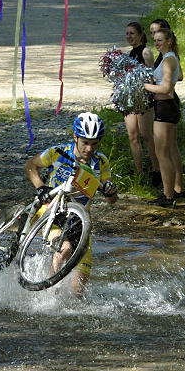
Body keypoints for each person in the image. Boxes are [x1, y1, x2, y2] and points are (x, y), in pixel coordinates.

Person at [24, 112, 119, 297]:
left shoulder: (101, 162)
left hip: (79, 218)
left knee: (78, 292)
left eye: (94, 143)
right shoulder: (56, 153)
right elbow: (30, 166)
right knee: (63, 249)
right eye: (85, 142)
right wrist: (41, 187)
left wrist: (111, 192)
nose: (89, 148)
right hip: (51, 210)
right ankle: (49, 296)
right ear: (75, 137)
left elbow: (112, 200)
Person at [143, 28, 184, 207]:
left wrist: (145, 86)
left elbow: (166, 89)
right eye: (155, 40)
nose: (157, 43)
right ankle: (173, 190)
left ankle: (167, 195)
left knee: (162, 154)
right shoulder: (167, 58)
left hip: (166, 107)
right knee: (168, 152)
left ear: (168, 40)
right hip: (165, 107)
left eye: (160, 40)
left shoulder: (168, 60)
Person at [123, 21, 161, 186]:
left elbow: (151, 76)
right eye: (127, 34)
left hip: (144, 99)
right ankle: (139, 173)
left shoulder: (146, 52)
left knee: (146, 135)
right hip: (129, 100)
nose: (129, 37)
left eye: (132, 33)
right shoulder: (129, 55)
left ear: (140, 34)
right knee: (133, 136)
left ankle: (156, 170)